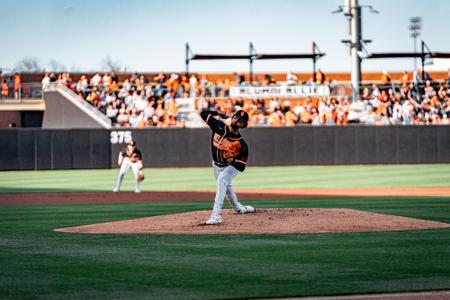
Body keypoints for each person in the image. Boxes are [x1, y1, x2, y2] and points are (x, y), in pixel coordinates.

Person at [200, 109, 255, 225]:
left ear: (243, 125)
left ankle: (216, 216)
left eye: (240, 120)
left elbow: (241, 167)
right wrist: (219, 114)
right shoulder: (219, 126)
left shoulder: (241, 144)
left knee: (222, 180)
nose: (237, 119)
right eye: (236, 117)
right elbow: (203, 114)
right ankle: (239, 208)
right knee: (226, 187)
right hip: (216, 165)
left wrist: (233, 160)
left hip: (230, 167)